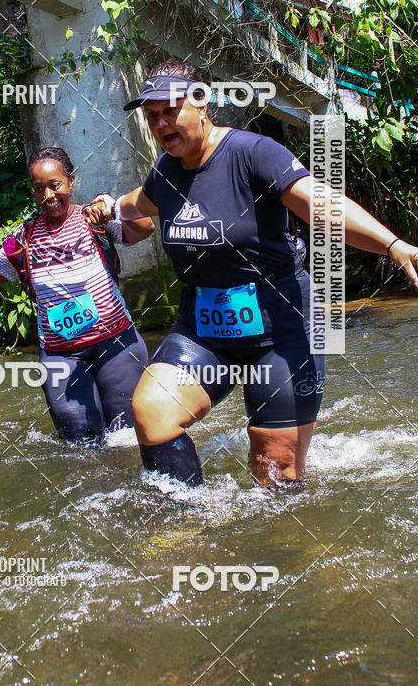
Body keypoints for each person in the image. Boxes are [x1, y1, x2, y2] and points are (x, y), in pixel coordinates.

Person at [87, 59, 418, 487]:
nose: (161, 123)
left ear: (201, 103)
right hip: (203, 329)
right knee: (153, 411)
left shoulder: (252, 153)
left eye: (170, 110)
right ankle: (185, 524)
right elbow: (139, 202)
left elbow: (320, 203)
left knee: (274, 472)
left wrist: (392, 245)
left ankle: (274, 541)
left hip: (280, 326)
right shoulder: (165, 173)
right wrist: (109, 207)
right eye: (153, 117)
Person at [0, 146, 155, 443]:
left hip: (117, 346)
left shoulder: (94, 219)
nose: (48, 195)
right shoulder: (22, 239)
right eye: (39, 189)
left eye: (55, 185)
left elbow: (145, 228)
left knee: (129, 438)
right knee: (80, 446)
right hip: (61, 356)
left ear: (71, 180)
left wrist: (113, 207)